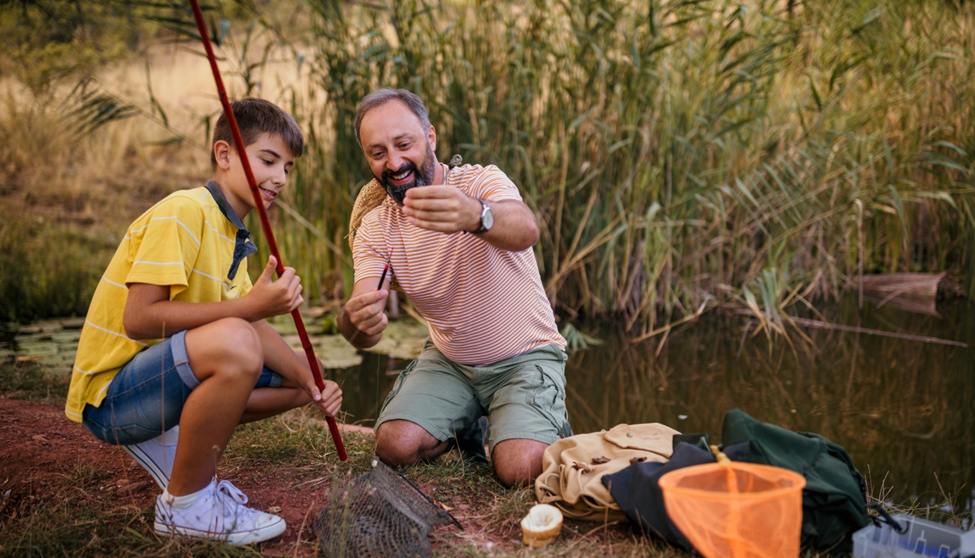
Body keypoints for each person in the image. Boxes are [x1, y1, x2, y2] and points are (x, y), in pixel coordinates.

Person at [65, 98, 342, 545]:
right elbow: (138, 319)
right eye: (268, 160)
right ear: (225, 154)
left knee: (294, 380)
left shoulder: (232, 231)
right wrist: (250, 308)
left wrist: (312, 382)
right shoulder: (185, 211)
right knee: (236, 338)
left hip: (157, 383)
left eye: (288, 168)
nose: (279, 178)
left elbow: (251, 325)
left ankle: (186, 450)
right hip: (112, 399)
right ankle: (187, 506)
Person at [339, 88, 569, 488]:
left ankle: (537, 421)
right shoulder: (376, 224)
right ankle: (467, 424)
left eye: (403, 144)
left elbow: (526, 229)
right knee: (394, 446)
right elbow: (360, 318)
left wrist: (475, 215)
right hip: (451, 363)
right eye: (378, 153)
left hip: (526, 357)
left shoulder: (481, 181)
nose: (394, 162)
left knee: (519, 470)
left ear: (430, 138)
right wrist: (355, 319)